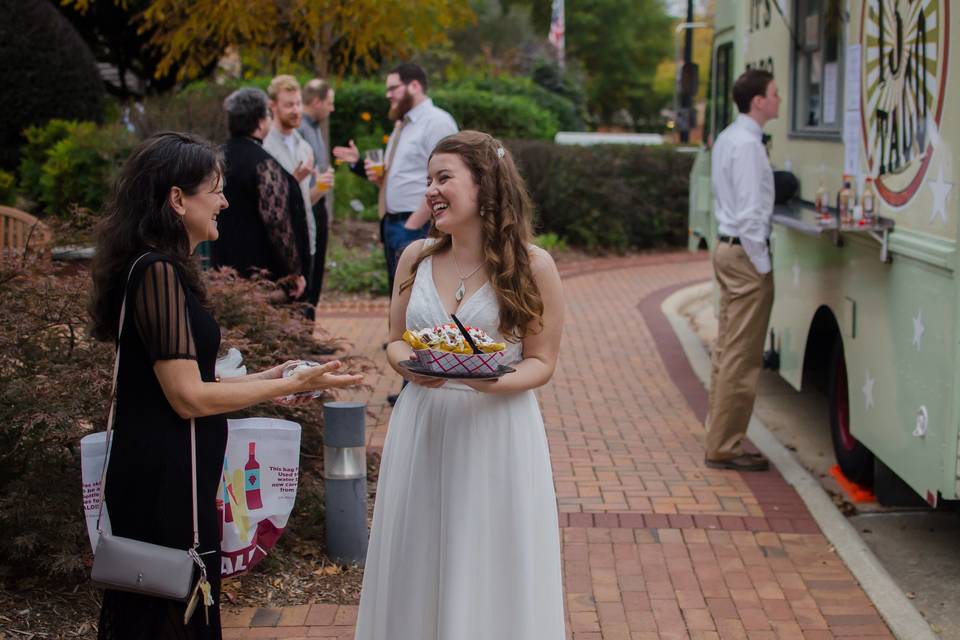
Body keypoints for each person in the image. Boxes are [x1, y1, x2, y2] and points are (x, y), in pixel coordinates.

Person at [88, 132, 362, 639]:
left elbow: (188, 381)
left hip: (172, 472)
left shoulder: (164, 270)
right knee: (167, 615)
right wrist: (280, 390)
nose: (225, 201)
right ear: (177, 199)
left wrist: (273, 377)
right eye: (215, 189)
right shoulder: (157, 273)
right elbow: (188, 397)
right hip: (164, 481)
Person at [354, 131, 566, 639]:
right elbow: (394, 341)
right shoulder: (416, 258)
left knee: (489, 557)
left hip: (496, 426)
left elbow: (542, 361)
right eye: (428, 179)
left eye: (443, 177)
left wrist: (491, 380)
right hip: (423, 421)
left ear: (486, 186)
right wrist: (410, 366)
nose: (430, 189)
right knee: (418, 552)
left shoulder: (534, 266)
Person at [705, 69, 780, 472]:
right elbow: (752, 214)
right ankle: (725, 445)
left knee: (727, 348)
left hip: (726, 247)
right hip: (745, 254)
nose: (779, 99)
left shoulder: (728, 138)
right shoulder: (749, 146)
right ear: (758, 101)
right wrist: (763, 266)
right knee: (742, 354)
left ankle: (718, 435)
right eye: (774, 93)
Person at [333, 63, 457, 295]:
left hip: (417, 225)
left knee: (419, 298)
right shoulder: (404, 125)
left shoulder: (437, 122)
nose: (387, 94)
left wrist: (412, 226)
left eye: (393, 88)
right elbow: (399, 176)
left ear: (415, 86)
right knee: (399, 297)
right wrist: (359, 164)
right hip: (392, 223)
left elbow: (448, 177)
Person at [213, 87, 309, 300]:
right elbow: (277, 220)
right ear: (260, 120)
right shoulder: (263, 164)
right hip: (260, 275)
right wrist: (294, 271)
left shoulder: (216, 157)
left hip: (220, 266)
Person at [263, 75, 333, 319]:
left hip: (307, 236)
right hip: (280, 242)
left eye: (297, 103)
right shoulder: (264, 146)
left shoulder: (302, 145)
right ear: (273, 106)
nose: (295, 111)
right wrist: (293, 180)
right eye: (288, 105)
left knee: (306, 304)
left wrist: (319, 189)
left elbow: (304, 202)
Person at [298, 78, 336, 306]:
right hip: (308, 205)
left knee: (316, 274)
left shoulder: (314, 127)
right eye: (329, 103)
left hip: (318, 204)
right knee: (310, 274)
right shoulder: (301, 130)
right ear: (316, 102)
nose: (332, 108)